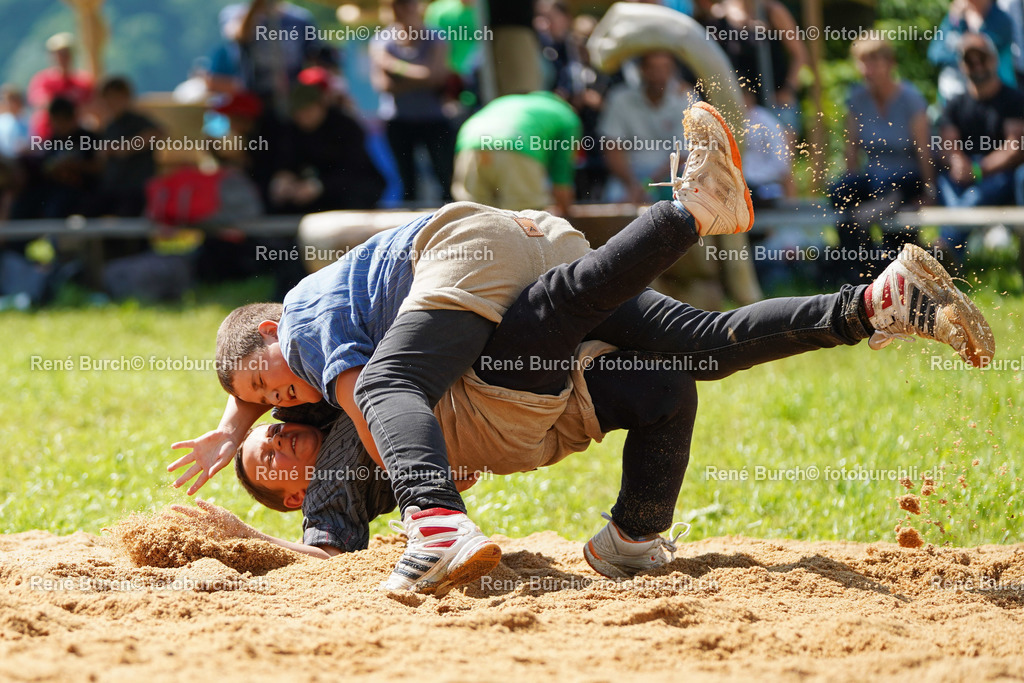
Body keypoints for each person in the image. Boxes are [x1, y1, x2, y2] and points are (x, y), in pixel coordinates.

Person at [169, 103, 994, 594]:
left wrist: (247, 422)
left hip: (476, 282)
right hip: (527, 258)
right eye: (274, 430)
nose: (276, 422)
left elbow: (309, 365)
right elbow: (268, 379)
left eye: (272, 413)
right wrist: (240, 435)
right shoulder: (318, 458)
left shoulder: (313, 332)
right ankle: (879, 303)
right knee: (693, 353)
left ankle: (689, 211)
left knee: (390, 384)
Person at [826, 38, 934, 281]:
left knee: (889, 190)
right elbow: (851, 150)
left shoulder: (911, 99)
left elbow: (923, 150)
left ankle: (882, 262)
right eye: (862, 63)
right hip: (875, 176)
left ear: (890, 64)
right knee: (841, 191)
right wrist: (850, 182)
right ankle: (858, 266)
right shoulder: (857, 100)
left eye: (873, 62)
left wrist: (929, 190)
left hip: (906, 176)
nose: (867, 70)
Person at [935, 32, 1024, 257]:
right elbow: (947, 144)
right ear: (962, 65)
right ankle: (949, 252)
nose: (976, 65)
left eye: (981, 58)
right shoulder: (955, 104)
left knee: (981, 190)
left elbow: (1015, 148)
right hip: (963, 177)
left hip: (1000, 176)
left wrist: (978, 170)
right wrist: (959, 164)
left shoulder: (1014, 99)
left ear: (994, 60)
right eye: (969, 60)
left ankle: (945, 248)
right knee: (945, 182)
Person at [370, 0, 455, 203]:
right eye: (400, 5)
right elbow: (383, 85)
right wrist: (422, 76)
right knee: (408, 185)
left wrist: (396, 67)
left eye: (410, 4)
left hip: (434, 119)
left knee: (447, 179)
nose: (406, 9)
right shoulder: (382, 40)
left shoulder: (436, 37)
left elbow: (436, 77)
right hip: (399, 121)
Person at [451, 90, 581, 216]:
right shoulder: (567, 116)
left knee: (472, 217)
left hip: (470, 142)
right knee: (526, 220)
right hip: (515, 144)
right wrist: (566, 215)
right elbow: (561, 175)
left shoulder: (512, 101)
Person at [268, 84, 385, 213]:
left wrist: (319, 186)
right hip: (308, 193)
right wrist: (283, 177)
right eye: (298, 113)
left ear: (321, 106)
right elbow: (287, 160)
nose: (303, 117)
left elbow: (354, 169)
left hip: (351, 188)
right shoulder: (291, 130)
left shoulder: (346, 127)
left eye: (308, 111)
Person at [597, 50, 692, 204]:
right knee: (614, 202)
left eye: (665, 68)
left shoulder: (685, 98)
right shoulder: (620, 98)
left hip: (671, 177)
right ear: (642, 70)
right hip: (628, 177)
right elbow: (612, 147)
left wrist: (646, 187)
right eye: (652, 68)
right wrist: (632, 184)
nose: (658, 75)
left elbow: (684, 155)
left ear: (673, 71)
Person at [86, 76, 161, 219]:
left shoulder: (137, 121)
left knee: (127, 219)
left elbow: (157, 133)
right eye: (108, 98)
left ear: (126, 97)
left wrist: (125, 148)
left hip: (135, 189)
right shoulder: (110, 127)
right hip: (112, 189)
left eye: (116, 98)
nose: (111, 103)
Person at [929, 0, 1017, 102]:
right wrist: (958, 21)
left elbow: (979, 52)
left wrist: (959, 47)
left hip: (996, 95)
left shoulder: (1001, 20)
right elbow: (935, 54)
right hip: (959, 97)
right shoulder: (955, 18)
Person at [26, 33, 94, 140]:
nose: (62, 58)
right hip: (47, 136)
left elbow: (91, 107)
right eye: (58, 54)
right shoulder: (42, 80)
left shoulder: (83, 81)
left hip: (77, 136)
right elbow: (41, 103)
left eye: (65, 53)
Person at [0, 86, 30, 159]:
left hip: (26, 159)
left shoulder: (28, 120)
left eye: (12, 100)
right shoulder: (2, 122)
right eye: (6, 100)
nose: (9, 103)